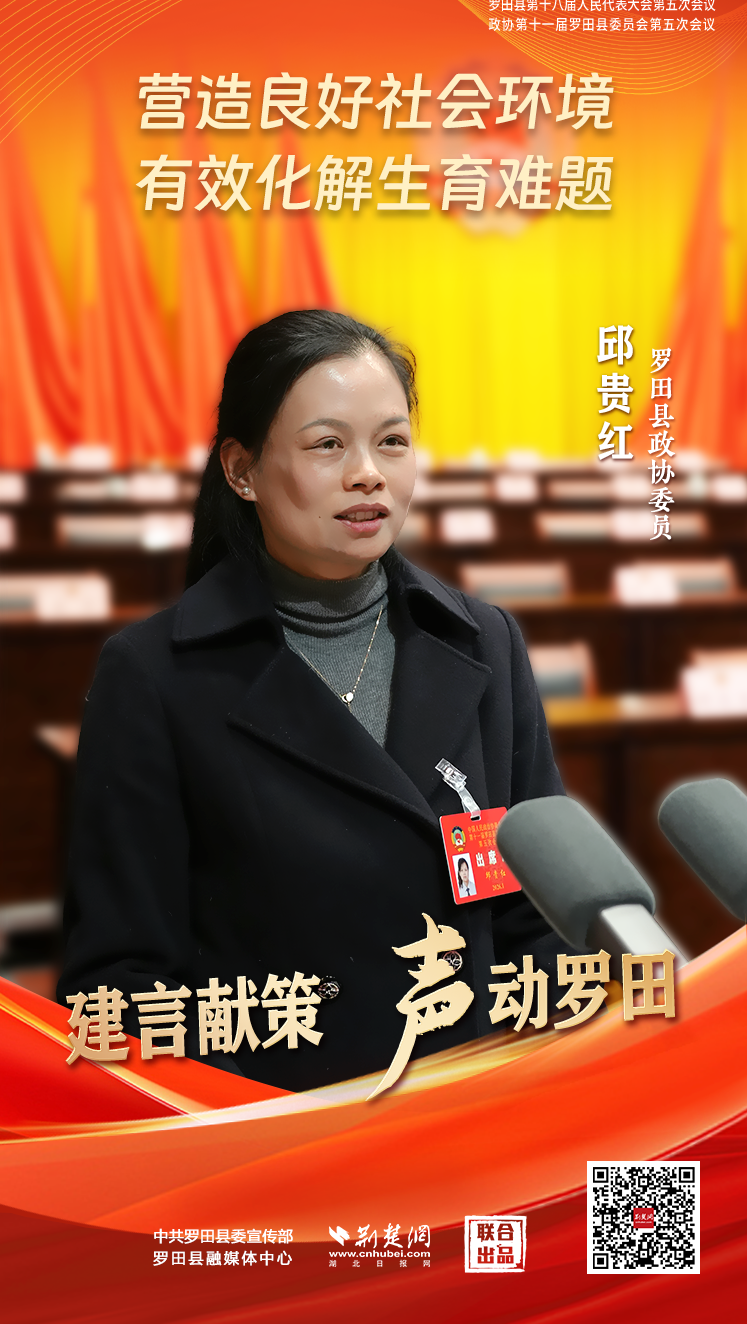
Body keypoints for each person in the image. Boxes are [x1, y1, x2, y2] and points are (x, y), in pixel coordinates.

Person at [58, 309, 567, 1093]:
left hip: (468, 1106)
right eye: (328, 444)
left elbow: (537, 916)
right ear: (242, 470)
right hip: (279, 1125)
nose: (368, 473)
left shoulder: (483, 641)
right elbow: (121, 979)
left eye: (391, 441)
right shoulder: (154, 675)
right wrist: (239, 1132)